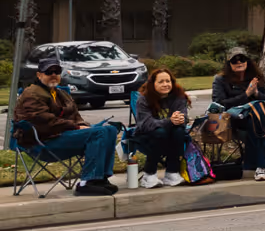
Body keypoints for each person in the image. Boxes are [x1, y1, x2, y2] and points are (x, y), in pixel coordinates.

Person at [14, 58, 121, 195]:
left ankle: (101, 178)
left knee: (110, 130)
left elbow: (76, 116)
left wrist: (82, 125)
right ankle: (86, 182)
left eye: (57, 71)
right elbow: (45, 122)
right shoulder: (32, 94)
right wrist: (76, 128)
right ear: (39, 75)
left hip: (61, 136)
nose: (53, 74)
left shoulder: (61, 93)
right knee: (98, 133)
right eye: (48, 72)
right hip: (42, 142)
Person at [211, 50, 265, 179]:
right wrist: (246, 95)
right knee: (257, 110)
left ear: (248, 61)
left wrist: (256, 94)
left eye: (242, 59)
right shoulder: (220, 80)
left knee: (255, 117)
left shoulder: (255, 78)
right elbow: (220, 104)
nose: (239, 62)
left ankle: (261, 168)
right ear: (229, 64)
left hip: (253, 122)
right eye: (234, 60)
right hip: (233, 119)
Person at [133, 67, 199, 186]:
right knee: (160, 132)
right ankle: (149, 174)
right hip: (146, 135)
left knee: (179, 131)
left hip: (171, 134)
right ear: (153, 84)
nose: (165, 84)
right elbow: (146, 124)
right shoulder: (144, 99)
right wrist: (170, 121)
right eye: (161, 82)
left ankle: (172, 172)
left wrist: (181, 119)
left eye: (168, 81)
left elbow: (182, 118)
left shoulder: (178, 97)